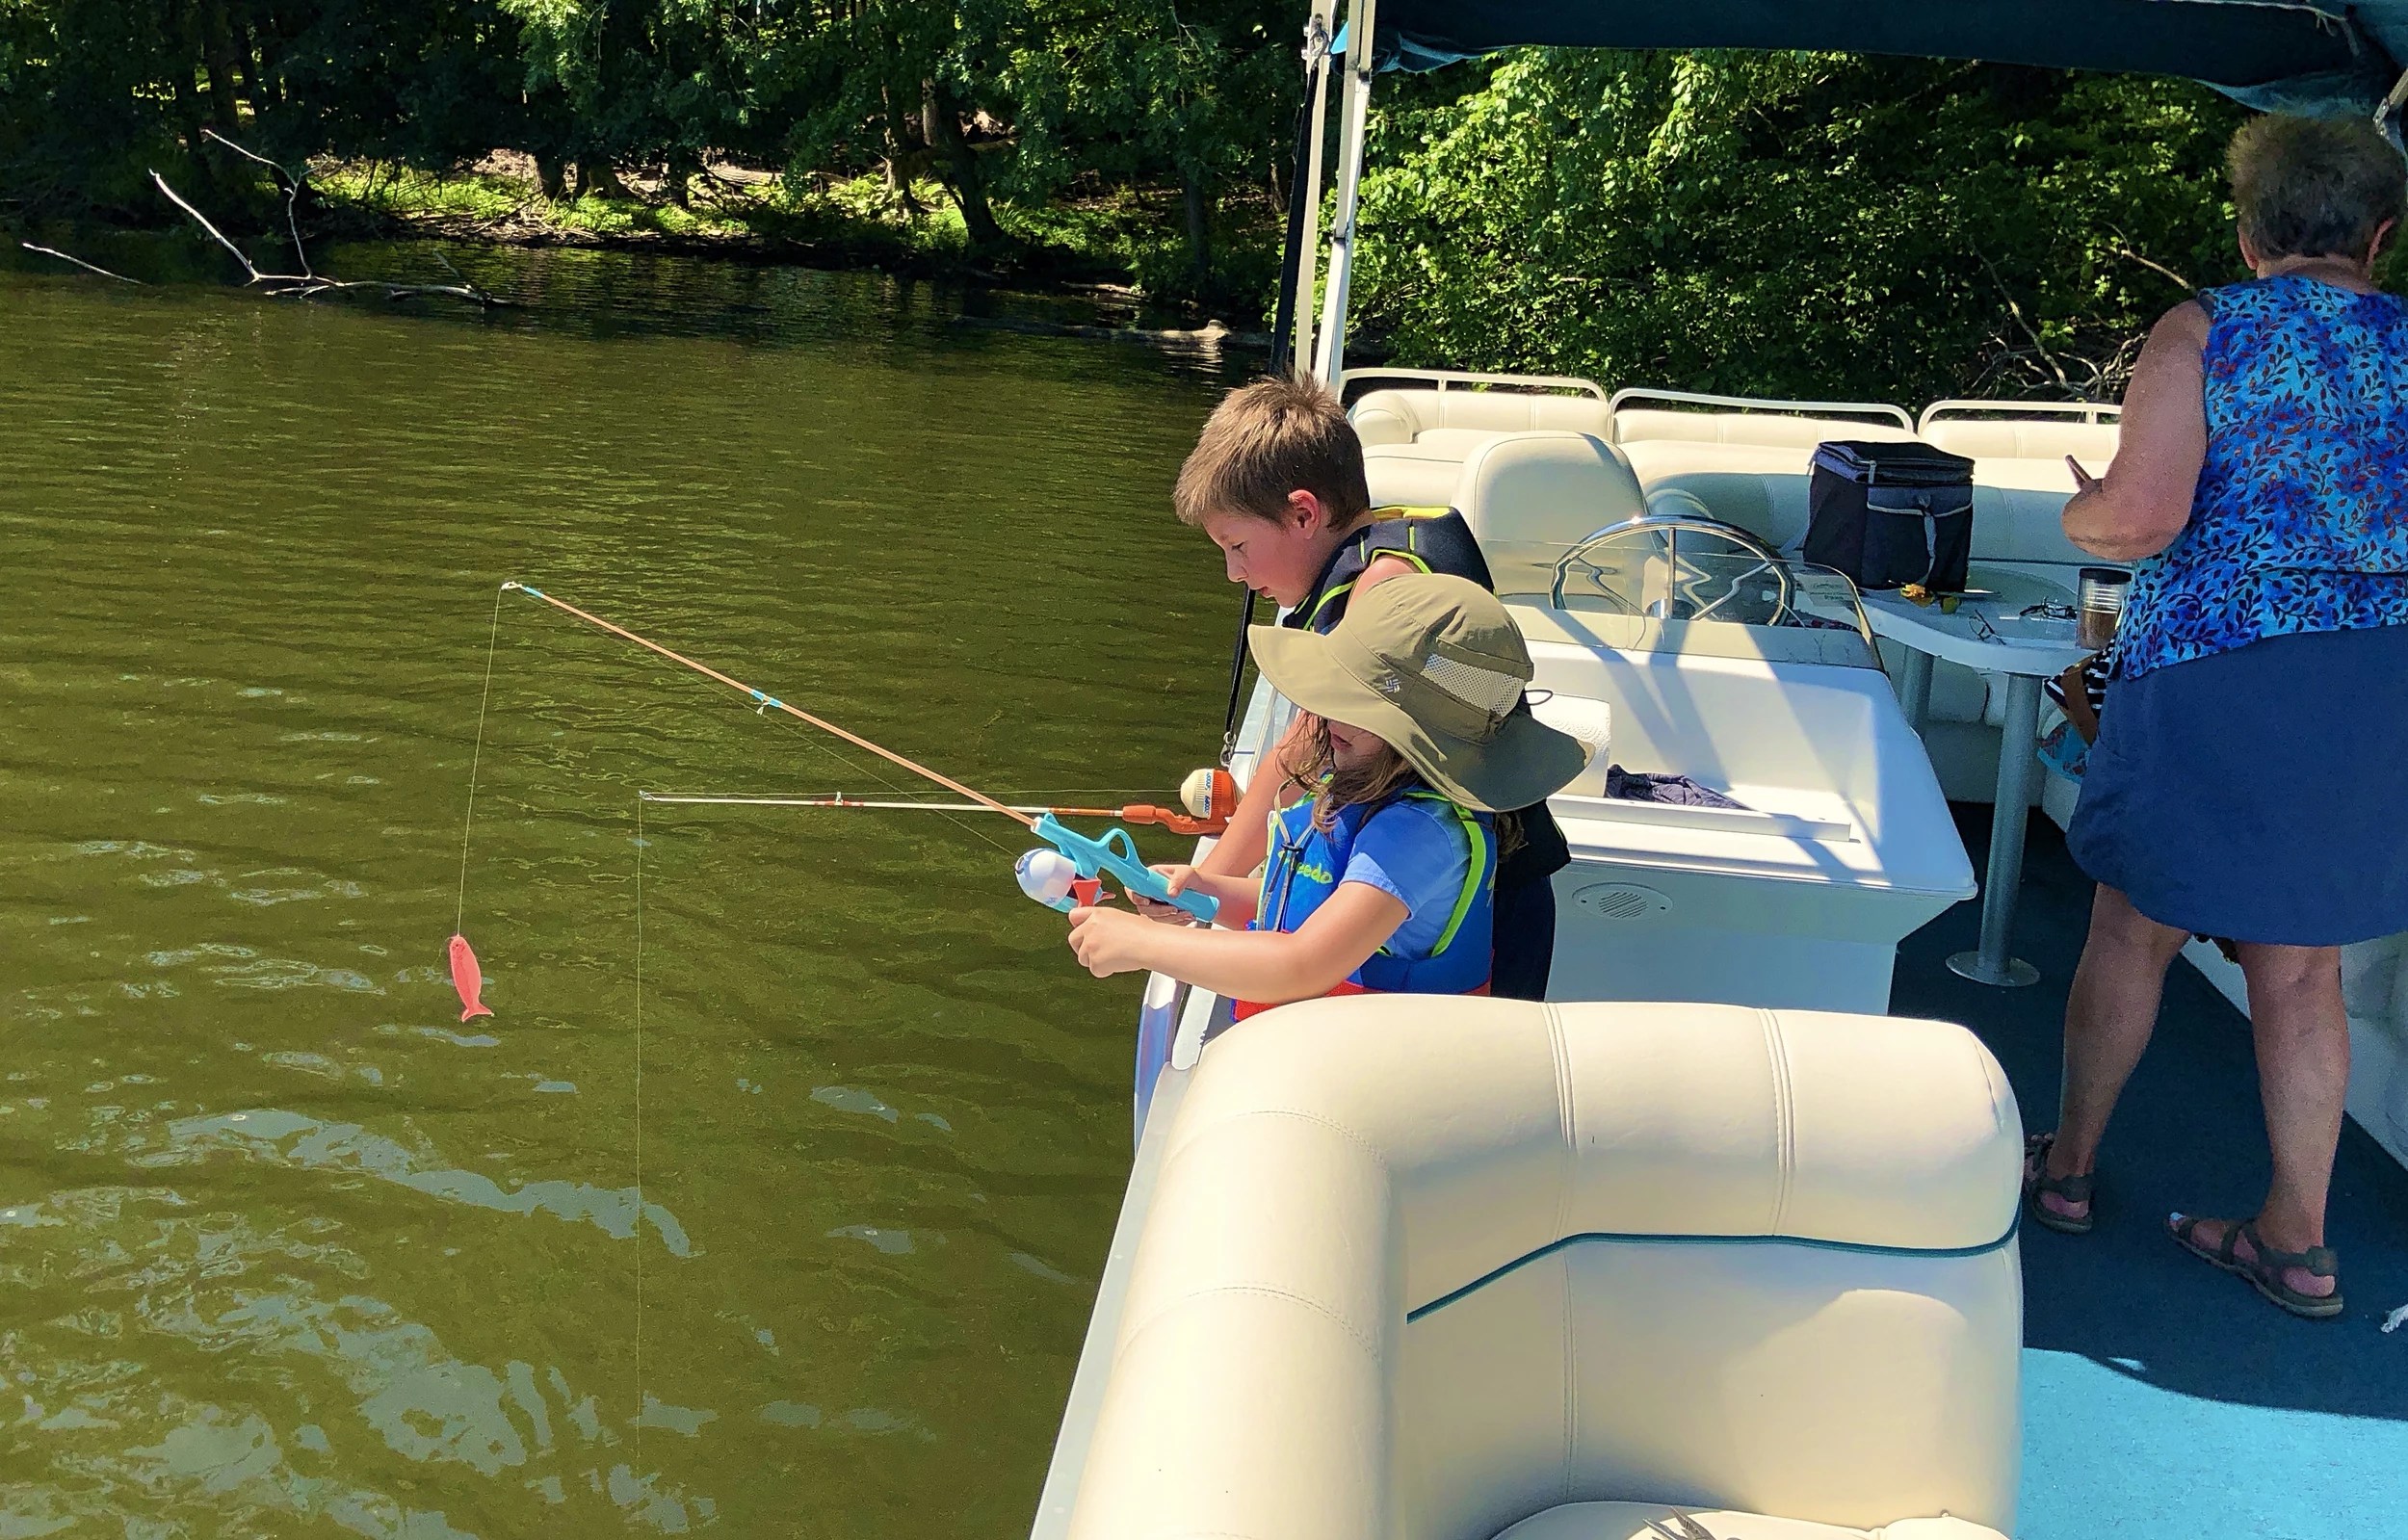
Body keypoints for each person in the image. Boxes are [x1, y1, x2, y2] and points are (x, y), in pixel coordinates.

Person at [2023, 113, 2408, 1319]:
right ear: (2379, 239)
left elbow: (2139, 520)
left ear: (2248, 234)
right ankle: (2296, 1242)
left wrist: (2086, 515)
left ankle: (2070, 1170)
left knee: (2132, 928)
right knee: (2303, 973)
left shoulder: (2204, 330)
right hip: (2373, 680)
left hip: (2217, 667)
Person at [1168, 374, 1573, 1000]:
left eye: (1239, 545)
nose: (1235, 573)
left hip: (1482, 902)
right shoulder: (1384, 544)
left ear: (1304, 513)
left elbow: (1301, 748)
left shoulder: (1378, 593)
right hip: (1460, 885)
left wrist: (1204, 883)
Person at [1063, 575, 1585, 1016]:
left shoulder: (1420, 835)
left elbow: (1304, 964)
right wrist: (1201, 888)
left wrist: (1142, 943)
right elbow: (1303, 908)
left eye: (1352, 705)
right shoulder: (1366, 780)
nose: (1327, 717)